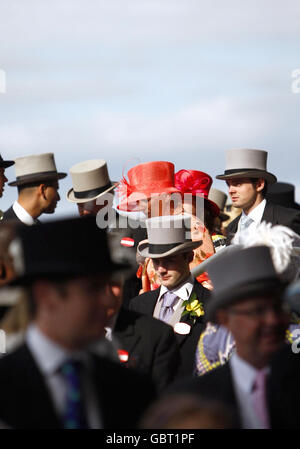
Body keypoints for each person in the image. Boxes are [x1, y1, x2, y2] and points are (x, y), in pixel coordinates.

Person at [0, 216, 155, 428]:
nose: (109, 300)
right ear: (46, 296)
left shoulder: (131, 389)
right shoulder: (6, 387)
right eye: (93, 288)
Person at [168, 245, 290, 429]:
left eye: (278, 308)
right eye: (257, 311)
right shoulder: (197, 400)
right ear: (225, 319)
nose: (273, 320)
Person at [129, 215, 211, 377]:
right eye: (156, 261)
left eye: (169, 260)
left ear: (189, 257)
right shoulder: (138, 305)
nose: (161, 269)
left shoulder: (211, 303)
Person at [216, 148, 300, 244]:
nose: (230, 190)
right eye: (228, 184)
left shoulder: (288, 219)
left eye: (238, 184)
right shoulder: (232, 227)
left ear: (259, 184)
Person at [3, 153, 66, 225]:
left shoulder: (41, 229)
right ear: (42, 190)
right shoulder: (3, 229)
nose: (59, 198)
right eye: (56, 189)